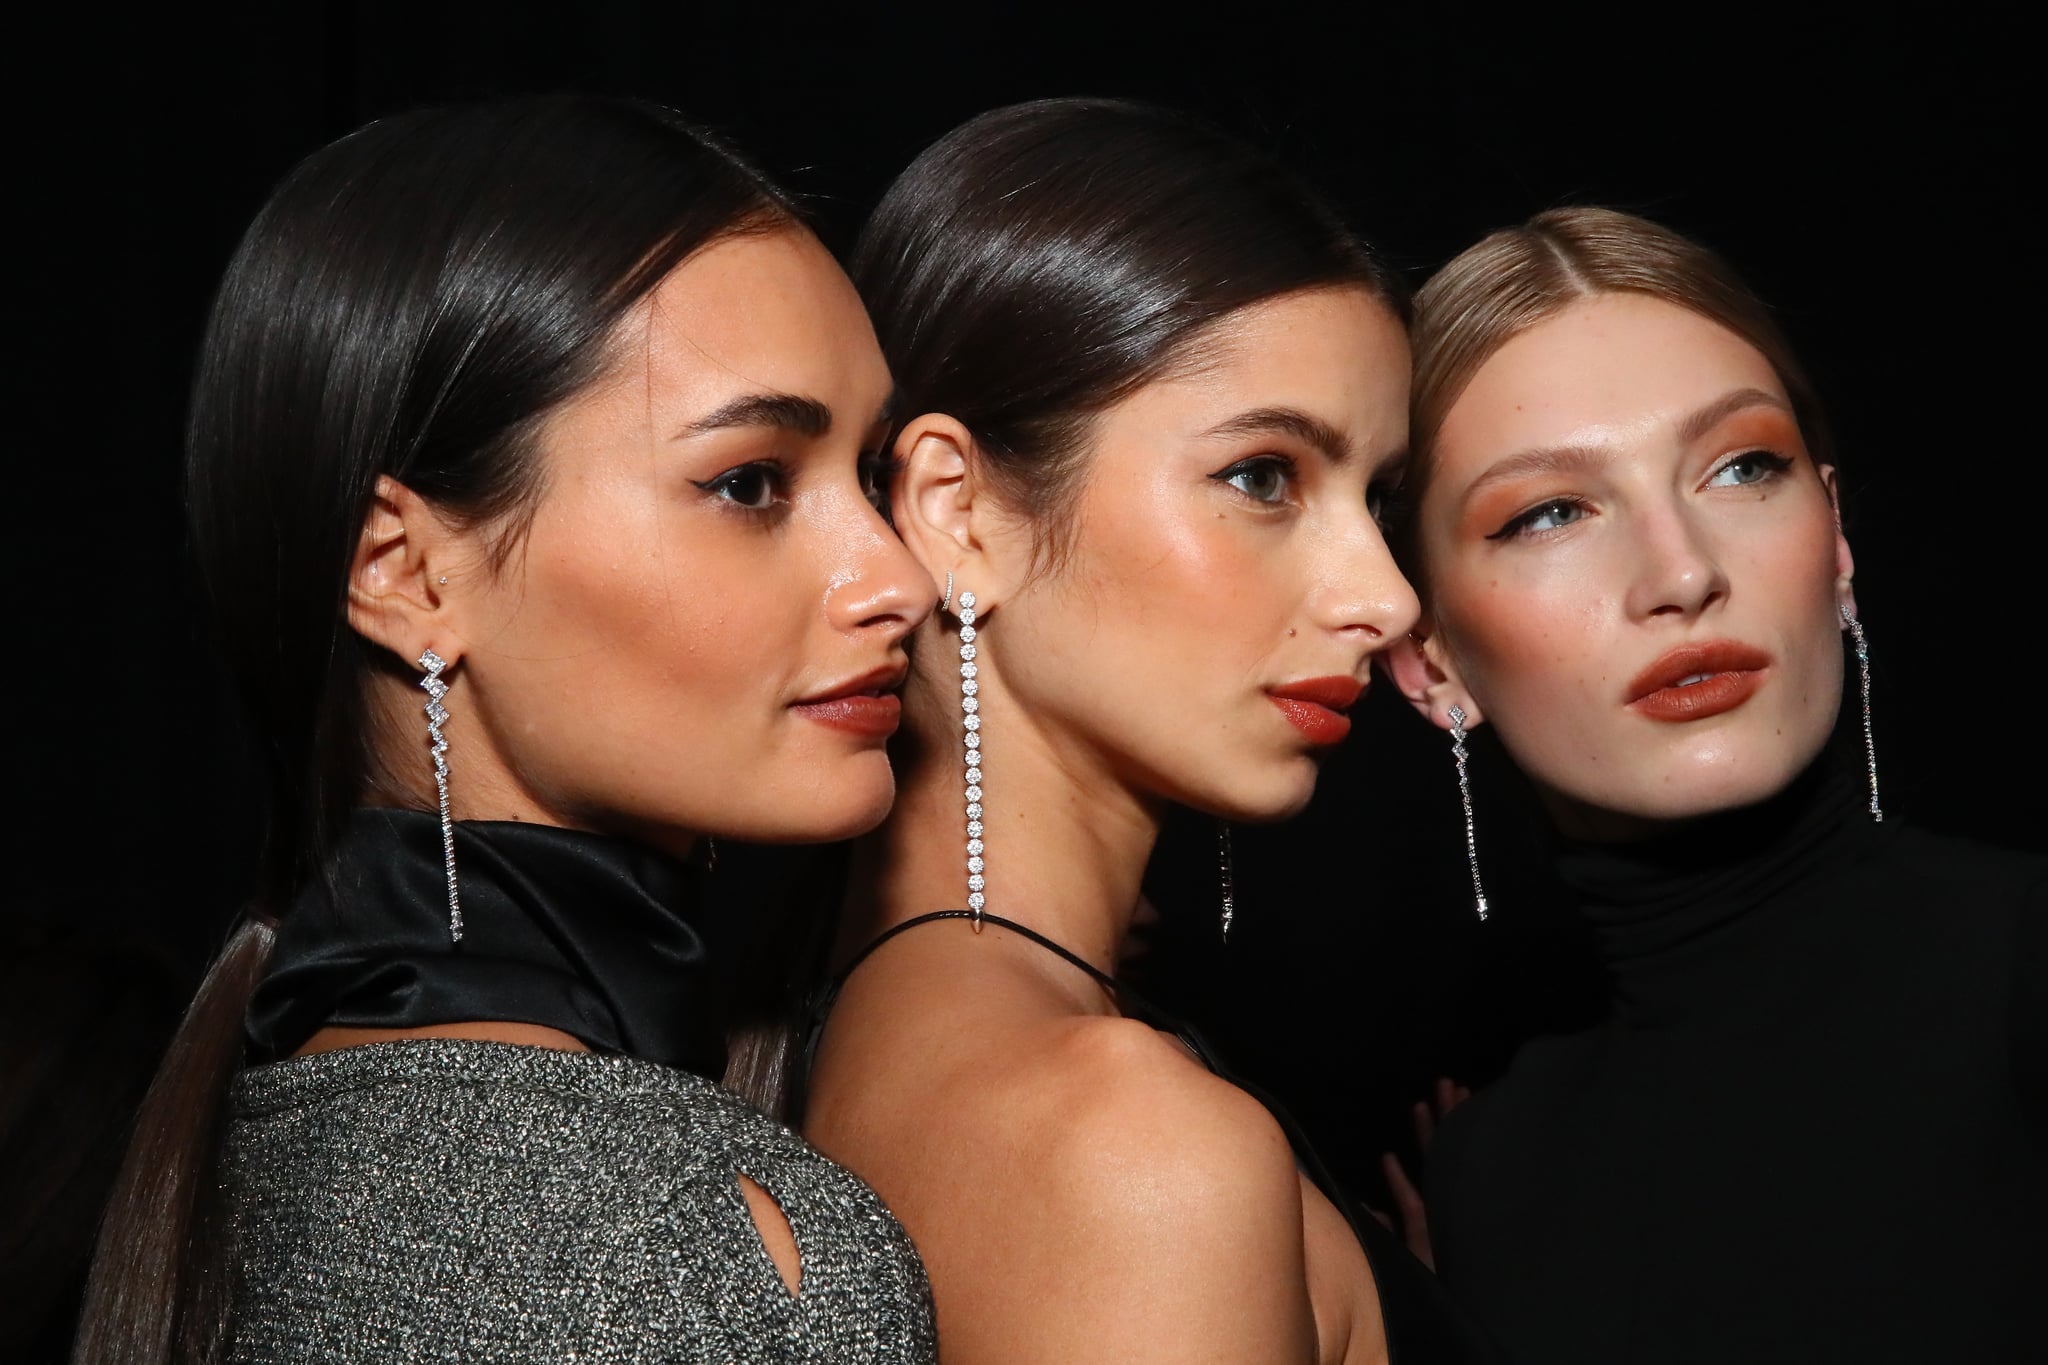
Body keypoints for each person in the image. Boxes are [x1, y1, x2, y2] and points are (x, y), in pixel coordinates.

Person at [74, 96, 937, 1364]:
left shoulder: (253, 1141)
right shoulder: (695, 1248)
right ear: (407, 574)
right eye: (749, 482)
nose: (896, 576)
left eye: (867, 478)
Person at [803, 99, 1499, 1364]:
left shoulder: (872, 1048)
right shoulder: (1130, 1145)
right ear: (958, 514)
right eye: (1263, 476)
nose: (1385, 596)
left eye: (1375, 496)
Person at [1386, 206, 2048, 1364]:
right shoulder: (1494, 1174)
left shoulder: (2020, 974)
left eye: (1741, 467)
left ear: (1833, 537)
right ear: (1428, 657)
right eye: (1548, 512)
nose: (1682, 572)